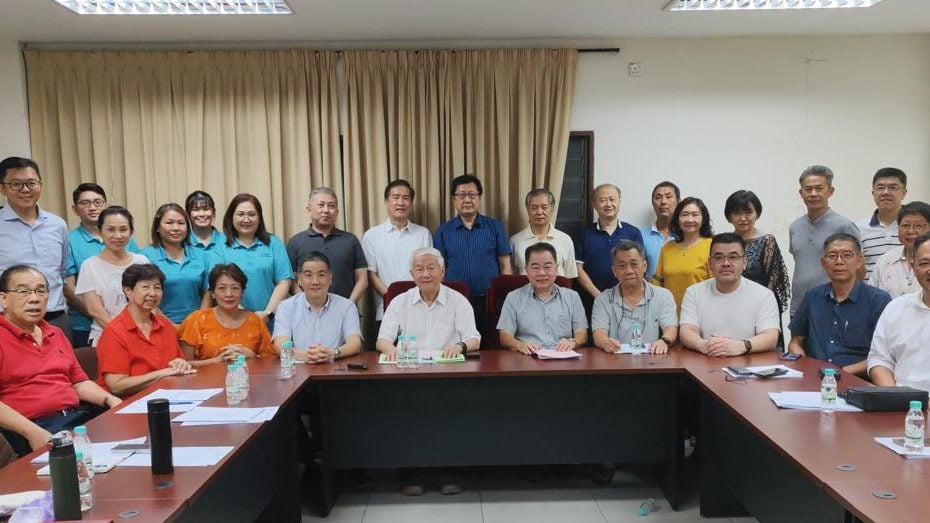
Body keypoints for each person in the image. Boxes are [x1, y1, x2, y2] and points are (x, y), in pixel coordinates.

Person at [375, 247, 480, 496]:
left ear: (442, 271)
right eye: (419, 269)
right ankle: (415, 471)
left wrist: (460, 346)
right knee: (410, 415)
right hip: (409, 375)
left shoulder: (458, 300)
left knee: (450, 416)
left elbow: (474, 338)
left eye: (431, 268)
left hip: (449, 376)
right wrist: (391, 350)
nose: (425, 274)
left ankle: (448, 470)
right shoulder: (400, 302)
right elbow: (382, 340)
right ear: (411, 273)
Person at [0, 265, 121, 457]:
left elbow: (78, 382)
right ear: (3, 299)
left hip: (75, 419)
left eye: (41, 291)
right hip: (30, 430)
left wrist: (111, 400)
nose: (34, 298)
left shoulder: (55, 333)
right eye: (23, 291)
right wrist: (32, 432)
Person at [788, 233, 891, 374]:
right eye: (832, 256)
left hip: (857, 379)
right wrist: (801, 360)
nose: (839, 261)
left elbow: (884, 354)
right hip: (814, 376)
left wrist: (841, 372)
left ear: (859, 261)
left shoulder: (878, 301)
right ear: (823, 263)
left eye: (847, 255)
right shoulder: (812, 296)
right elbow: (796, 341)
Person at [96, 264, 195, 396]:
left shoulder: (165, 325)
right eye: (145, 287)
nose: (153, 293)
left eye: (157, 288)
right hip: (129, 402)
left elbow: (177, 362)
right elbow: (116, 385)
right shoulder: (114, 332)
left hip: (168, 395)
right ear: (128, 291)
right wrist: (162, 374)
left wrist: (181, 364)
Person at [679, 233, 780, 357]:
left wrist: (741, 346)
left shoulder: (764, 295)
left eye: (733, 257)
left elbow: (770, 336)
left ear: (744, 262)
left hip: (748, 362)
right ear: (710, 263)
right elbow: (687, 330)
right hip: (707, 359)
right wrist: (703, 345)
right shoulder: (694, 292)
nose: (726, 263)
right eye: (719, 257)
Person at [433, 174, 512, 334]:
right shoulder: (443, 231)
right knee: (459, 343)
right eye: (461, 195)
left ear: (479, 197)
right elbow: (440, 270)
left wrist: (504, 298)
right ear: (454, 200)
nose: (467, 200)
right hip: (454, 301)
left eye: (472, 195)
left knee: (489, 344)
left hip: (490, 300)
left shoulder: (495, 227)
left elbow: (506, 266)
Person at [65, 183, 140, 348]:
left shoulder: (133, 248)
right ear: (75, 209)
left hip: (135, 327)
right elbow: (69, 287)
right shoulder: (70, 240)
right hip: (86, 325)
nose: (92, 207)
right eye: (85, 203)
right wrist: (99, 315)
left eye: (97, 202)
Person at [0, 157, 70, 335]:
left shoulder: (58, 225)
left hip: (55, 317)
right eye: (16, 184)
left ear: (40, 185)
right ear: (2, 188)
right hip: (9, 322)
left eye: (31, 183)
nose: (25, 189)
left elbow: (61, 272)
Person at [74, 206, 150, 346]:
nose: (118, 235)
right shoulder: (90, 265)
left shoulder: (142, 261)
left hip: (143, 335)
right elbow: (95, 310)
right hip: (107, 337)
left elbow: (150, 303)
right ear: (100, 232)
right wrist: (125, 335)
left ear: (131, 232)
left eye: (123, 229)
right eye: (111, 229)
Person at [789, 165, 859, 316]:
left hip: (834, 306)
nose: (813, 194)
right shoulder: (795, 227)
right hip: (799, 306)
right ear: (801, 193)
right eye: (808, 189)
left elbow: (858, 268)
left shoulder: (844, 225)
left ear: (830, 191)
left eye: (819, 188)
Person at [498, 243, 587, 355]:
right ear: (526, 270)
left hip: (563, 356)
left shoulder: (572, 297)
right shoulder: (513, 297)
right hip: (528, 357)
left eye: (548, 267)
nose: (542, 273)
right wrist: (519, 345)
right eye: (535, 268)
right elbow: (504, 336)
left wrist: (573, 342)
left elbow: (582, 334)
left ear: (556, 268)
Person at [273, 252, 362, 363]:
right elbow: (279, 345)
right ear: (299, 279)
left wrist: (332, 353)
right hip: (299, 369)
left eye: (321, 275)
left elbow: (355, 343)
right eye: (308, 275)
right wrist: (307, 356)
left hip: (335, 369)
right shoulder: (286, 307)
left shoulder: (347, 306)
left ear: (330, 278)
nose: (315, 282)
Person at [867, 233, 930, 391]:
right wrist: (897, 397)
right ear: (913, 267)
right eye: (924, 263)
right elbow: (879, 359)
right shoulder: (896, 308)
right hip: (900, 400)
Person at [362, 179, 431, 321]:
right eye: (395, 197)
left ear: (411, 204)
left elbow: (428, 271)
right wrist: (392, 297)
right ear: (386, 202)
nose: (401, 202)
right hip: (386, 309)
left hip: (420, 309)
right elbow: (371, 275)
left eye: (406, 198)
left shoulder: (423, 234)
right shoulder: (371, 236)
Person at [592, 241, 678, 355]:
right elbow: (599, 334)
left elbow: (671, 328)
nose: (629, 271)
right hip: (615, 359)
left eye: (634, 264)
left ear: (644, 266)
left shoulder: (663, 296)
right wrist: (605, 342)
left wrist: (664, 341)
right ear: (614, 271)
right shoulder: (603, 299)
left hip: (652, 358)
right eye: (622, 266)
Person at [179, 263, 275, 365]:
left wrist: (254, 357)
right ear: (212, 293)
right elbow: (184, 365)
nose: (229, 294)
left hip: (248, 374)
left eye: (235, 288)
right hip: (206, 375)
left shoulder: (255, 321)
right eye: (222, 288)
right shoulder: (196, 320)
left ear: (242, 292)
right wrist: (216, 361)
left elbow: (271, 362)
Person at [286, 187, 367, 303]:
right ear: (309, 209)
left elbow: (362, 279)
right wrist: (306, 305)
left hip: (345, 309)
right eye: (321, 205)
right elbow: (291, 281)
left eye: (331, 206)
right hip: (306, 310)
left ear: (337, 212)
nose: (326, 210)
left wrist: (348, 305)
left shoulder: (351, 240)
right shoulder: (295, 242)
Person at [220, 193, 292, 320]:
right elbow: (218, 286)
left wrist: (268, 313)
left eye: (251, 214)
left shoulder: (274, 243)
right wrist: (243, 316)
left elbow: (284, 282)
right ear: (231, 217)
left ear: (259, 218)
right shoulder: (221, 246)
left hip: (271, 320)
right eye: (240, 214)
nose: (246, 219)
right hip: (232, 320)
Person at [140, 203, 210, 324]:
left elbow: (208, 292)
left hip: (196, 325)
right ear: (157, 227)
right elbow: (143, 297)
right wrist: (169, 326)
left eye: (181, 223)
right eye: (169, 223)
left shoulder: (201, 255)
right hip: (157, 324)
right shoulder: (145, 256)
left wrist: (198, 322)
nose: (176, 228)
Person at [574, 183, 644, 303]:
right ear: (594, 205)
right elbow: (578, 269)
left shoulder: (633, 232)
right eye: (602, 200)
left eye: (612, 199)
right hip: (592, 300)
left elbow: (639, 266)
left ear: (619, 202)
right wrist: (599, 296)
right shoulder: (584, 234)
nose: (608, 204)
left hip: (627, 300)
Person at [724, 190, 790, 314]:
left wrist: (760, 305)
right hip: (730, 305)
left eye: (748, 212)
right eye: (737, 213)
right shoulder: (725, 243)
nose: (743, 218)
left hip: (762, 307)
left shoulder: (767, 241)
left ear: (757, 214)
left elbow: (773, 279)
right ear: (729, 216)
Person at [651, 197, 713, 313]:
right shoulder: (667, 247)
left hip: (701, 315)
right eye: (684, 215)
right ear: (677, 218)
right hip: (669, 315)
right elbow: (657, 283)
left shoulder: (712, 246)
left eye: (695, 215)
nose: (689, 219)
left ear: (703, 218)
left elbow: (716, 286)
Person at [510, 189, 577, 278]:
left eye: (544, 207)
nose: (539, 212)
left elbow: (569, 276)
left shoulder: (565, 240)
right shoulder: (515, 241)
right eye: (534, 208)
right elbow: (511, 276)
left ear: (552, 209)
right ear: (527, 209)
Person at [869, 201, 930, 298]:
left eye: (918, 226)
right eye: (905, 225)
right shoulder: (885, 260)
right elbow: (872, 297)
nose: (911, 231)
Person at [857, 167, 907, 279]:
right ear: (873, 193)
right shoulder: (859, 228)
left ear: (904, 193)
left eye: (893, 187)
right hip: (870, 290)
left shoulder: (915, 228)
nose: (886, 192)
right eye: (880, 188)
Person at [640, 181, 680, 281]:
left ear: (678, 202)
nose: (663, 202)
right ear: (653, 204)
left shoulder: (687, 234)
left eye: (668, 197)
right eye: (658, 198)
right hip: (651, 290)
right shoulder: (640, 235)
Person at [185, 190, 226, 267]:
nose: (201, 214)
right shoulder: (182, 242)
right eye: (196, 209)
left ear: (213, 212)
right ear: (187, 214)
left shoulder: (227, 241)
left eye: (206, 209)